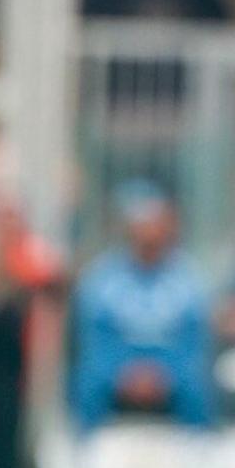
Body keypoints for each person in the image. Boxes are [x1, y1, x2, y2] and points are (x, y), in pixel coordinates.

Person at [72, 180, 213, 430]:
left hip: (170, 362)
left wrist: (162, 376)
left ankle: (200, 450)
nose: (148, 232)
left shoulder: (188, 277)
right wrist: (124, 374)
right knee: (88, 382)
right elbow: (95, 338)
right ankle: (85, 452)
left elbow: (193, 339)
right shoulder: (102, 276)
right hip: (118, 359)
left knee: (197, 384)